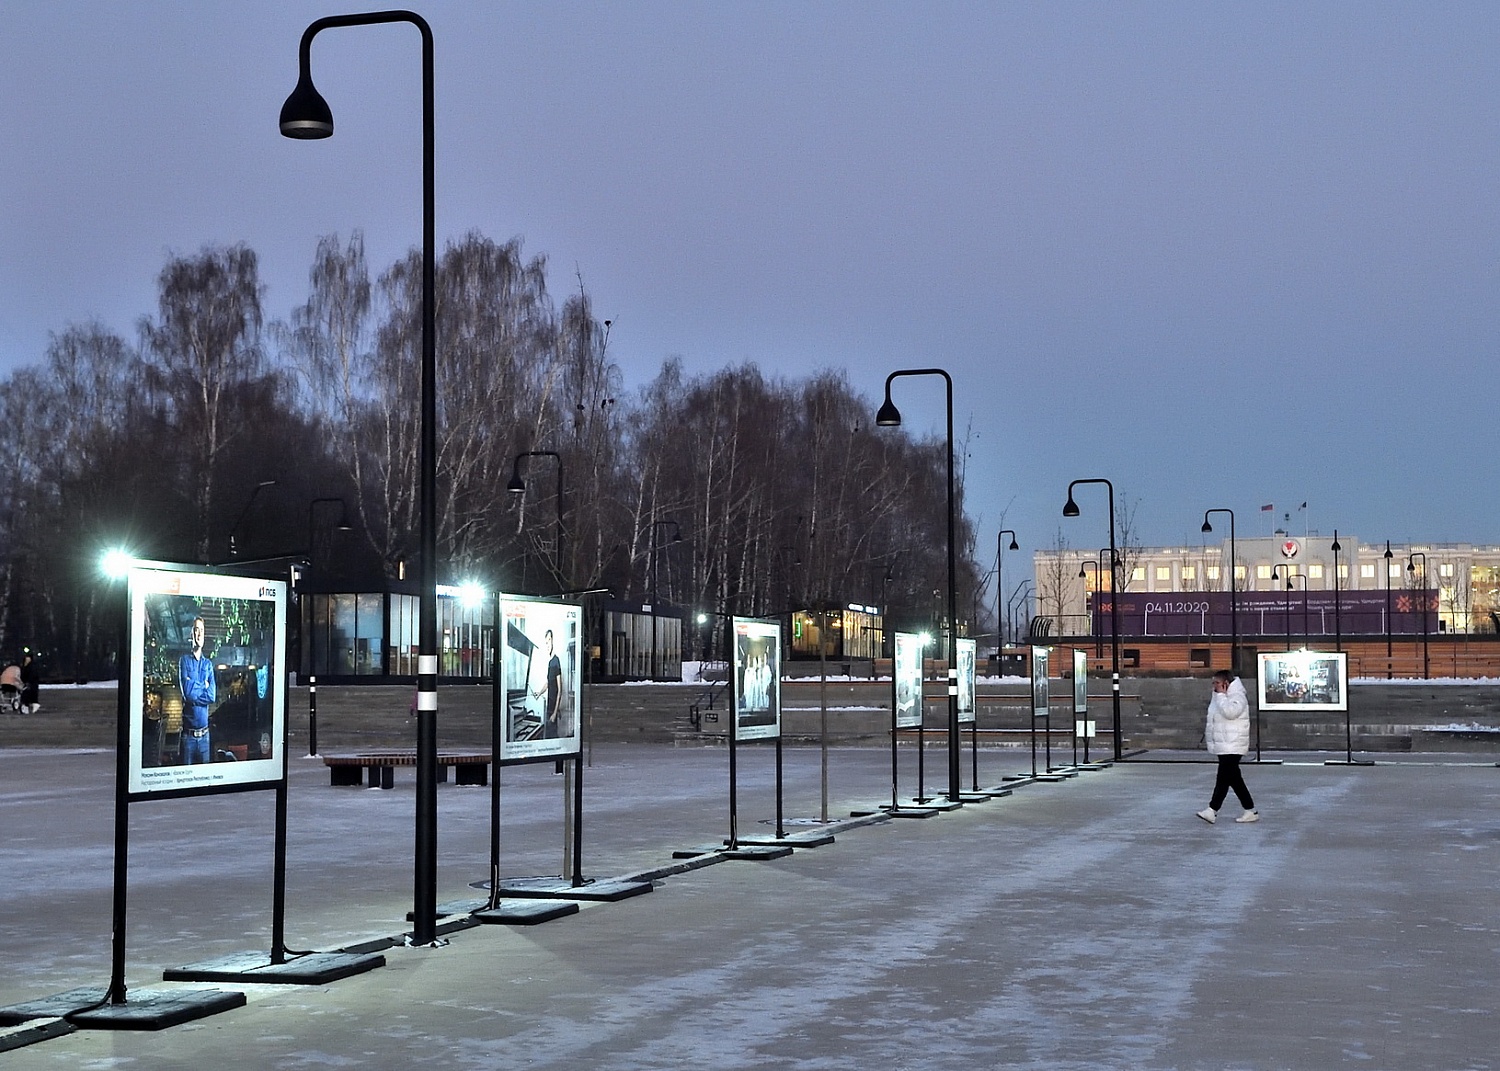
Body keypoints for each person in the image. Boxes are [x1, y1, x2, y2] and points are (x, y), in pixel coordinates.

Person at [1198, 669, 1258, 824]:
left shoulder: (1237, 696)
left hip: (1233, 742)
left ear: (1226, 684)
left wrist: (1221, 696)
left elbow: (1230, 713)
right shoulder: (1220, 697)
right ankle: (1249, 809)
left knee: (1224, 777)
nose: (1214, 686)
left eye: (1217, 683)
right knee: (1233, 778)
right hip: (1225, 742)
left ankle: (1213, 809)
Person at [178, 616, 217, 765]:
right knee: (186, 780)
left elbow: (212, 696)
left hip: (205, 737)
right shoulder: (184, 661)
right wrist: (203, 685)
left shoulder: (208, 664)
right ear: (191, 634)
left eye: (202, 630)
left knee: (204, 780)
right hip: (188, 738)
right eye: (196, 630)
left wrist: (195, 686)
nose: (199, 634)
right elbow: (188, 694)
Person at [19, 648, 39, 714]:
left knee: (30, 696)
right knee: (25, 696)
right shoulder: (25, 666)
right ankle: (26, 708)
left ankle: (32, 706)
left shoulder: (32, 666)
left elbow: (33, 675)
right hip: (27, 683)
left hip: (32, 684)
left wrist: (29, 682)